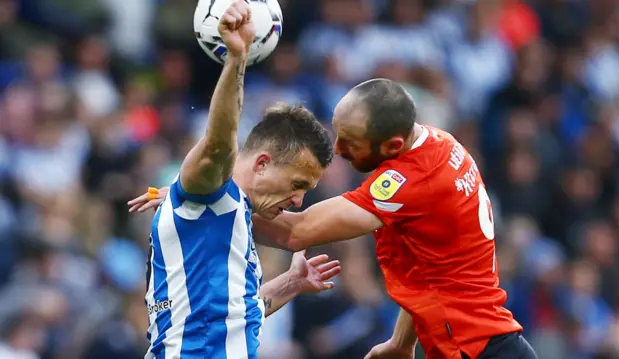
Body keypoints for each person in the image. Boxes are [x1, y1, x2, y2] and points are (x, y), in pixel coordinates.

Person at [130, 79, 537, 359]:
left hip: (472, 348)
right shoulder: (437, 144)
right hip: (480, 342)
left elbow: (297, 231)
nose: (339, 149)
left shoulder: (410, 181)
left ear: (392, 144)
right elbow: (430, 270)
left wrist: (202, 200)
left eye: (351, 142)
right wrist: (400, 342)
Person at [139, 1, 341, 358]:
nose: (298, 201)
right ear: (261, 164)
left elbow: (236, 313)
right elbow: (220, 142)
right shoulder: (211, 195)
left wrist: (290, 284)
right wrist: (236, 59)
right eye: (297, 185)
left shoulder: (229, 216)